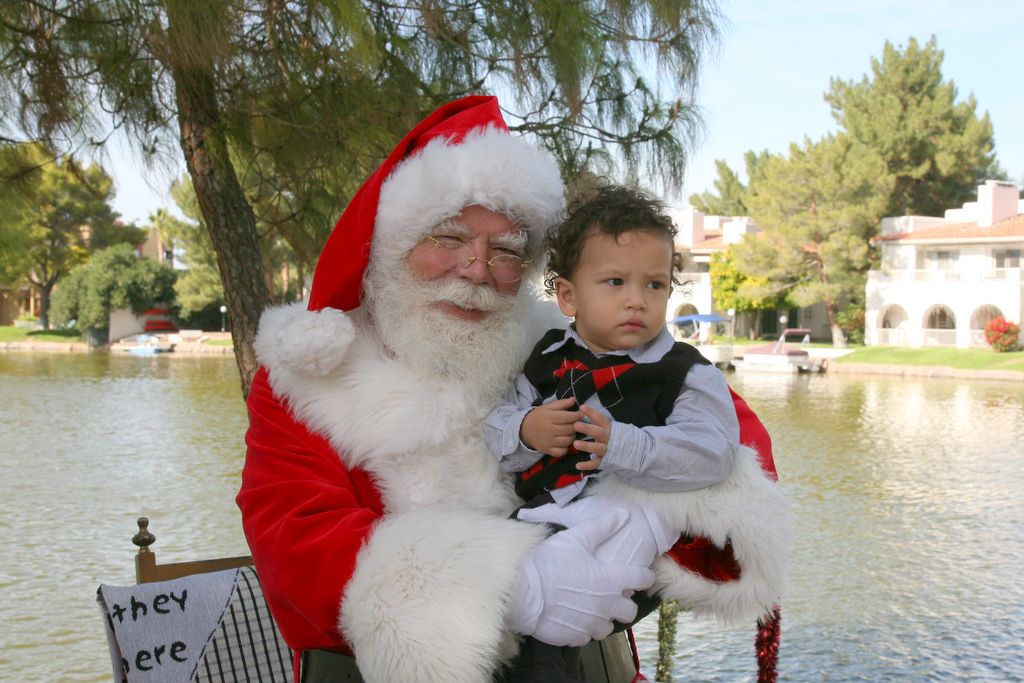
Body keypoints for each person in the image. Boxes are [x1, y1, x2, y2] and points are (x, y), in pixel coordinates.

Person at [237, 96, 789, 683]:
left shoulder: (569, 342)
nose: (476, 269)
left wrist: (633, 533)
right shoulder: (309, 376)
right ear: (391, 243)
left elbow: (732, 438)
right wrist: (512, 585)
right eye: (448, 239)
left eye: (505, 251)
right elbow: (293, 536)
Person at [484, 185, 744, 681]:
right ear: (567, 295)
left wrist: (627, 445)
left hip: (626, 520)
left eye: (654, 285)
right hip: (541, 517)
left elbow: (715, 455)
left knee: (547, 621)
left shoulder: (684, 372)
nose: (636, 301)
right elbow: (495, 429)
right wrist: (526, 430)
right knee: (520, 628)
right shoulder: (545, 358)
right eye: (615, 281)